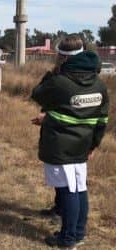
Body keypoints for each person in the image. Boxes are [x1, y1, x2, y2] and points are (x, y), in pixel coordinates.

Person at [31, 34, 109, 249]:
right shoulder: (99, 84)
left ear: (62, 57)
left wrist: (51, 73)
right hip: (82, 145)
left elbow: (37, 94)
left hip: (60, 146)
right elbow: (101, 120)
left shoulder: (60, 82)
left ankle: (67, 239)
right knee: (79, 188)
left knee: (68, 191)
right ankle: (78, 233)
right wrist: (93, 145)